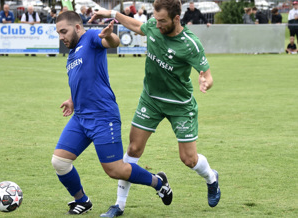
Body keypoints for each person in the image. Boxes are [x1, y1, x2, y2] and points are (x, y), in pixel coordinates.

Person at [89, 0, 220, 217]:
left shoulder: (190, 44)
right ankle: (119, 205)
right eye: (155, 19)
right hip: (150, 100)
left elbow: (206, 73)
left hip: (180, 105)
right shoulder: (153, 26)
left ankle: (211, 178)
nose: (157, 25)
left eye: (162, 21)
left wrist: (206, 82)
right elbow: (134, 25)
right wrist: (110, 13)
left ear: (176, 19)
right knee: (133, 150)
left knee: (189, 160)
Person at [53, 11, 173, 215]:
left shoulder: (91, 37)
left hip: (103, 116)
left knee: (115, 170)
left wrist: (108, 35)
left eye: (64, 31)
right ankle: (82, 200)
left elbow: (114, 42)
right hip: (81, 118)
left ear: (78, 28)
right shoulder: (72, 55)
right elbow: (82, 80)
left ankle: (158, 182)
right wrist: (72, 100)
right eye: (58, 33)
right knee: (60, 162)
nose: (61, 37)